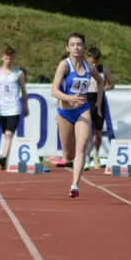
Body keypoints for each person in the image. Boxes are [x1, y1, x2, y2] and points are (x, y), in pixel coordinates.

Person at [51, 32, 103, 198]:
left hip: (83, 110)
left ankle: (75, 185)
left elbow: (101, 81)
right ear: (67, 47)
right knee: (68, 155)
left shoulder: (88, 66)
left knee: (82, 146)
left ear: (83, 47)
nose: (76, 48)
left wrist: (98, 102)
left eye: (79, 44)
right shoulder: (64, 65)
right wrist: (69, 98)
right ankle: (63, 157)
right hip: (65, 112)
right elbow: (54, 90)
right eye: (72, 45)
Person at [0, 45, 29, 170]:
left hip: (15, 106)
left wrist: (25, 105)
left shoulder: (18, 74)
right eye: (6, 58)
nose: (8, 61)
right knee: (5, 134)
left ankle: (3, 157)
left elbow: (24, 91)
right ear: (2, 58)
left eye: (10, 59)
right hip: (3, 107)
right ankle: (5, 156)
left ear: (13, 58)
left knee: (9, 134)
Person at [84, 47, 113, 170]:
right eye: (92, 62)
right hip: (87, 100)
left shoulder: (103, 70)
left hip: (99, 101)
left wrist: (102, 88)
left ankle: (96, 154)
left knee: (98, 132)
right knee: (86, 132)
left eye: (96, 62)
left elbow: (111, 84)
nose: (94, 64)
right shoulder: (83, 68)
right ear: (87, 59)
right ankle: (86, 158)